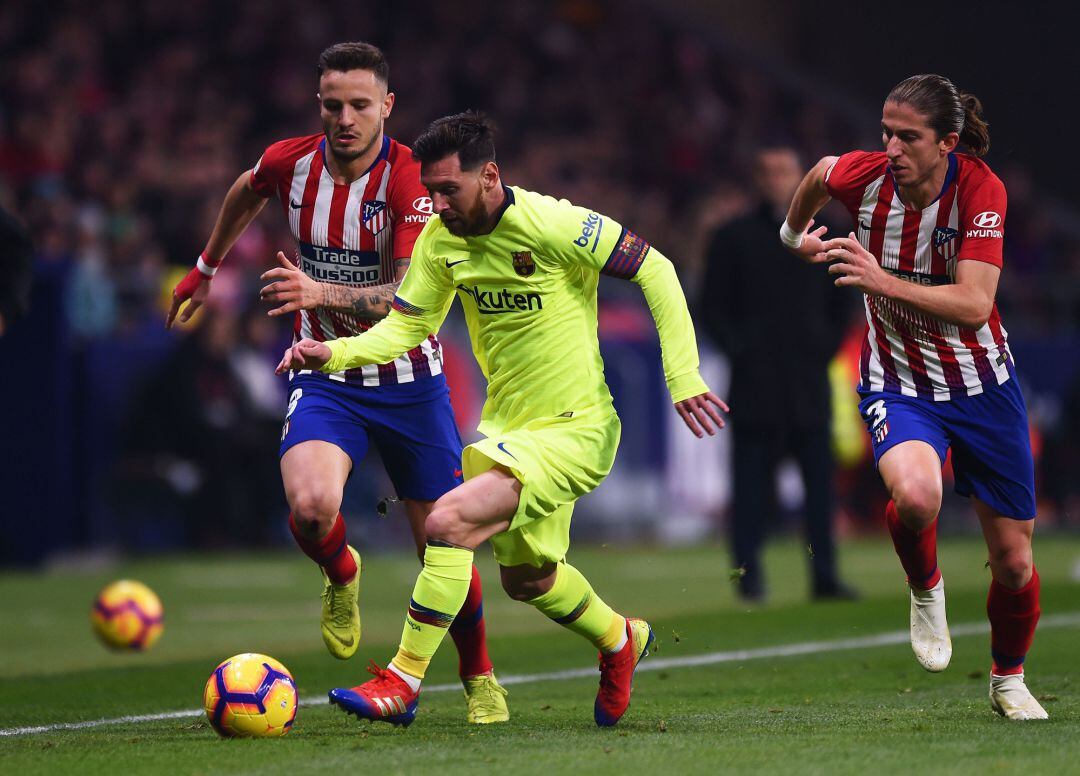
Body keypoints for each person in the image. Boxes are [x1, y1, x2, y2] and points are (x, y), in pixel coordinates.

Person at [277, 111, 728, 728]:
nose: (435, 204)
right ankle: (620, 639)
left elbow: (656, 268)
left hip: (576, 428)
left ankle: (402, 681)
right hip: (511, 433)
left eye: (447, 190)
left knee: (448, 520)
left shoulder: (552, 223)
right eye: (429, 190)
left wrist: (682, 375)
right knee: (528, 579)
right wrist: (334, 352)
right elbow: (411, 326)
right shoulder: (442, 240)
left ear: (490, 175)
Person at [166, 42, 509, 724]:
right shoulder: (291, 162)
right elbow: (246, 187)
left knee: (444, 545)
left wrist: (317, 286)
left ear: (387, 106)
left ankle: (480, 678)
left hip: (411, 381)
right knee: (313, 504)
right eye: (332, 105)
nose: (345, 118)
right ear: (317, 104)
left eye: (359, 105)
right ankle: (341, 572)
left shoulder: (411, 179)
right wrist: (207, 267)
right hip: (327, 371)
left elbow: (410, 301)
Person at [781, 74, 1045, 720]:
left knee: (1013, 563)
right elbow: (818, 174)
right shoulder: (865, 177)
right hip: (899, 382)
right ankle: (925, 586)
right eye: (886, 133)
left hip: (983, 386)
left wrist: (882, 280)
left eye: (908, 137)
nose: (891, 148)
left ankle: (1008, 679)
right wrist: (794, 237)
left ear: (947, 142)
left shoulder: (980, 191)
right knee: (917, 495)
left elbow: (976, 304)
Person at [701, 146, 856, 602]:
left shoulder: (829, 232)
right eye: (769, 171)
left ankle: (825, 576)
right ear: (756, 178)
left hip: (808, 382)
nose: (777, 178)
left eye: (786, 170)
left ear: (799, 175)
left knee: (819, 490)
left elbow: (842, 300)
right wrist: (740, 351)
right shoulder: (732, 238)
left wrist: (822, 349)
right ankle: (749, 580)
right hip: (755, 385)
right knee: (749, 491)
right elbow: (711, 306)